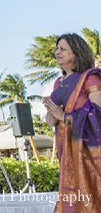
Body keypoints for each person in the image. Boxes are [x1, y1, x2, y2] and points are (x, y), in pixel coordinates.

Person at [43, 33, 101, 212]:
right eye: (57, 49)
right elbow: (52, 119)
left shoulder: (89, 77)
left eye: (63, 49)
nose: (57, 52)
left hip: (90, 153)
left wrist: (66, 118)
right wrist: (51, 116)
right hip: (67, 151)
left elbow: (98, 114)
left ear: (76, 52)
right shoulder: (58, 83)